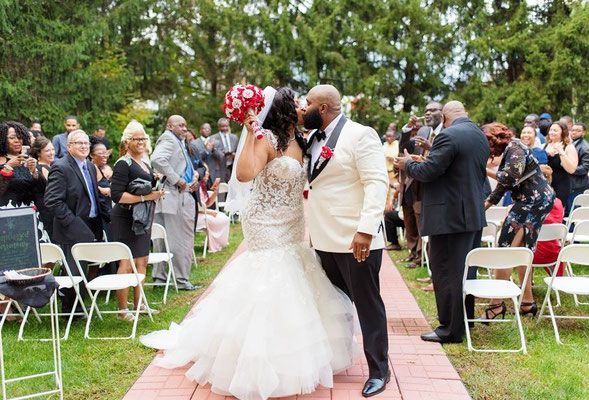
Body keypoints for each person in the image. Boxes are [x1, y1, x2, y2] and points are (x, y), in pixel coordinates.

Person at [141, 87, 356, 399]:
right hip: (265, 221)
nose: (301, 108)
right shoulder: (265, 138)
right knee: (271, 278)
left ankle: (299, 348)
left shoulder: (300, 140)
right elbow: (243, 174)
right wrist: (250, 128)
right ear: (284, 110)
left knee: (297, 271)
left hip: (293, 219)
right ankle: (258, 357)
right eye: (297, 104)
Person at [304, 84, 390, 396]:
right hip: (323, 238)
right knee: (335, 305)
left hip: (355, 240)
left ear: (322, 108)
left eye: (308, 103)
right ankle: (338, 359)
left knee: (368, 306)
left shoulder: (360, 134)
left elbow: (376, 181)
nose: (303, 108)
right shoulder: (313, 139)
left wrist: (366, 229)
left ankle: (379, 371)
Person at [395, 101, 489, 344]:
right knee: (466, 270)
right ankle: (465, 321)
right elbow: (455, 167)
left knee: (446, 271)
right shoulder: (478, 134)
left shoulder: (449, 135)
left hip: (449, 217)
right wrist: (429, 154)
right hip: (471, 214)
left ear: (446, 116)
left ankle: (450, 329)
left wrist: (409, 164)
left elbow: (429, 173)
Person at [481, 123, 555, 319]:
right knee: (522, 249)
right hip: (536, 200)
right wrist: (485, 206)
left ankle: (495, 305)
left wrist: (482, 169)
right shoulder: (511, 150)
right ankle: (527, 303)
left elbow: (509, 177)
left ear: (492, 141)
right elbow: (502, 187)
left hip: (531, 201)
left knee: (506, 248)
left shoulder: (515, 149)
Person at [44, 129, 109, 314]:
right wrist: (73, 223)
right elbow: (52, 201)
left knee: (83, 268)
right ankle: (70, 311)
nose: (83, 146)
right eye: (78, 143)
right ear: (69, 146)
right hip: (71, 227)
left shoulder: (89, 166)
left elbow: (92, 194)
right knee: (73, 270)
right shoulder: (61, 166)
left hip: (92, 224)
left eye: (86, 143)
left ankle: (78, 307)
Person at [110, 121, 163, 320]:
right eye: (136, 138)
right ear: (127, 141)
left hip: (141, 218)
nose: (141, 142)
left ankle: (140, 305)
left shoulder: (144, 162)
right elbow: (117, 195)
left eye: (143, 138)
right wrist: (147, 197)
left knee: (142, 261)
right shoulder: (124, 163)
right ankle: (122, 310)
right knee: (125, 263)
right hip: (125, 218)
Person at [150, 115, 199, 290]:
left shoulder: (178, 140)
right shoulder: (169, 139)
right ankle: (182, 280)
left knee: (163, 239)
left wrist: (193, 176)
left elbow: (181, 165)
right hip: (176, 195)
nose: (185, 128)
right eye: (181, 125)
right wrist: (177, 179)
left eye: (186, 125)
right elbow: (156, 159)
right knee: (181, 239)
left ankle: (160, 279)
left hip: (173, 195)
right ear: (170, 126)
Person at [532, 165, 565, 277]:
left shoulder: (528, 203)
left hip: (529, 254)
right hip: (553, 253)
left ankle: (526, 282)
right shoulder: (558, 203)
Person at [0, 121, 40, 207]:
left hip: (29, 213)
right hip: (7, 214)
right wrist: (8, 167)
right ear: (2, 139)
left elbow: (41, 191)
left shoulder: (28, 159)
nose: (17, 141)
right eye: (12, 138)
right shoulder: (2, 161)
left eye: (20, 137)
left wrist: (34, 173)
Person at [544, 121, 578, 208]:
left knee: (556, 212)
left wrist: (561, 152)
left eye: (555, 130)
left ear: (563, 132)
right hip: (545, 185)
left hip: (561, 185)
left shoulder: (568, 147)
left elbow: (571, 170)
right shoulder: (544, 146)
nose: (552, 132)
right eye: (551, 130)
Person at [195, 177, 230, 252]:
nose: (207, 174)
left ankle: (219, 242)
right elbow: (194, 207)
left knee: (224, 217)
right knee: (218, 219)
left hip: (203, 212)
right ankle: (214, 244)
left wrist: (215, 191)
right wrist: (209, 212)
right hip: (196, 216)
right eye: (206, 171)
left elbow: (208, 203)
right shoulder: (195, 187)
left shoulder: (202, 186)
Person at [29, 136, 55, 237]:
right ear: (39, 153)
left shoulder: (50, 166)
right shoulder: (39, 168)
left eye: (53, 149)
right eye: (47, 150)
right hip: (46, 211)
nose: (52, 152)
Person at [566, 123, 589, 214]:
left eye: (578, 130)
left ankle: (572, 229)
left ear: (583, 133)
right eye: (572, 130)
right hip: (569, 184)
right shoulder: (571, 143)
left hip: (577, 185)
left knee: (573, 211)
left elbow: (584, 168)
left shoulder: (585, 147)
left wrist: (569, 168)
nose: (574, 132)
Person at [210, 118, 238, 182]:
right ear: (219, 127)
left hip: (232, 167)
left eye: (226, 126)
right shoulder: (213, 138)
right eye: (223, 126)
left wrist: (234, 155)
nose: (225, 128)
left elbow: (237, 151)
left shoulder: (234, 137)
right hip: (219, 168)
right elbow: (211, 153)